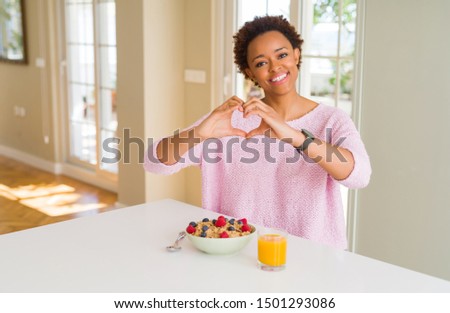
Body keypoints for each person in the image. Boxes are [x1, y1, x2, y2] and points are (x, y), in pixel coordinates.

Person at [144, 15, 371, 249]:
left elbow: (360, 175)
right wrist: (198, 135)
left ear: (296, 55)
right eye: (261, 63)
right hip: (239, 253)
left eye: (282, 55)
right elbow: (154, 162)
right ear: (250, 72)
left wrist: (296, 137)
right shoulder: (230, 122)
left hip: (313, 257)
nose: (275, 67)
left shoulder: (331, 119)